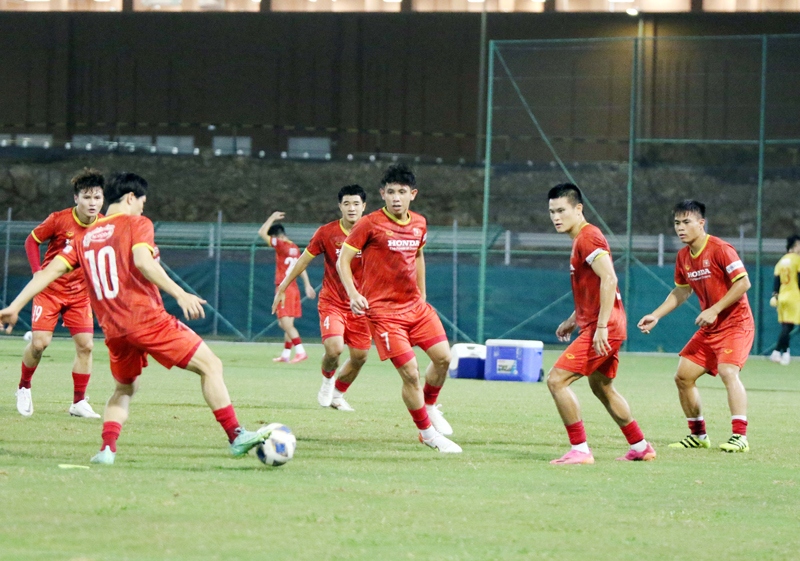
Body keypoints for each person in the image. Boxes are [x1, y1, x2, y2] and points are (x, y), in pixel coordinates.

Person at [0, 172, 270, 465]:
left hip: (114, 331)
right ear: (130, 198)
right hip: (147, 320)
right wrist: (181, 294)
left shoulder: (84, 237)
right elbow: (142, 262)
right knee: (211, 366)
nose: (143, 207)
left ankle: (107, 450)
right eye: (142, 201)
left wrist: (15, 306)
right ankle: (235, 435)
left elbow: (48, 272)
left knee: (125, 388)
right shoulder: (137, 223)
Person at [337, 163, 460, 453]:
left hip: (416, 307)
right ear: (382, 194)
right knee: (411, 373)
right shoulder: (369, 223)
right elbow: (343, 259)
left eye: (401, 192)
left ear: (412, 194)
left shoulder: (419, 223)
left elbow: (418, 256)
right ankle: (427, 434)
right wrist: (353, 294)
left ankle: (429, 406)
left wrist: (423, 293)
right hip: (383, 313)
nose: (395, 197)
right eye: (390, 192)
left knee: (444, 358)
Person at [546, 183, 655, 465]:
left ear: (578, 209)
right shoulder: (580, 240)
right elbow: (594, 288)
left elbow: (609, 279)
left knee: (556, 380)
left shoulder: (588, 238)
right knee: (602, 387)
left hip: (604, 326)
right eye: (551, 211)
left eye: (561, 210)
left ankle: (580, 450)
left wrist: (602, 327)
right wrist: (573, 320)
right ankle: (641, 446)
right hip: (602, 324)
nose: (556, 217)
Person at [638, 200, 753, 453]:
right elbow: (681, 291)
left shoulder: (721, 249)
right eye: (677, 223)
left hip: (736, 323)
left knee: (727, 372)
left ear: (701, 223)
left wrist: (714, 309)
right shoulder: (683, 257)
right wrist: (656, 315)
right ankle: (698, 435)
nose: (681, 228)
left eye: (687, 222)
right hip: (711, 328)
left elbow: (743, 283)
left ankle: (740, 436)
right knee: (683, 376)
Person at [15, 168, 105, 419]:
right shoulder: (58, 219)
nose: (92, 203)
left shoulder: (106, 226)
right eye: (87, 197)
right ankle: (23, 386)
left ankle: (78, 402)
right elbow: (31, 241)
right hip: (50, 291)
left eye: (97, 197)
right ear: (76, 198)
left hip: (80, 295)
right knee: (40, 344)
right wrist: (37, 273)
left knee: (86, 346)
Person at [272, 185, 371, 412]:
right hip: (333, 302)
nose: (351, 208)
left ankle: (337, 394)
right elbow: (303, 261)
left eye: (356, 203)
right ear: (340, 206)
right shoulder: (327, 232)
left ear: (364, 206)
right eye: (346, 203)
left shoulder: (374, 233)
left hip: (361, 305)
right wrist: (284, 287)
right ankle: (327, 381)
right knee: (334, 348)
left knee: (360, 357)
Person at [258, 212, 316, 363]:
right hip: (294, 288)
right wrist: (307, 285)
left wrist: (271, 218)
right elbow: (300, 267)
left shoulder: (281, 245)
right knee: (285, 323)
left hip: (284, 289)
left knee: (285, 324)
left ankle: (301, 351)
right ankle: (285, 354)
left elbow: (261, 233)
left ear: (277, 236)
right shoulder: (294, 247)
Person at [769, 234, 800, 366]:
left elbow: (776, 281)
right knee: (788, 327)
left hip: (781, 297)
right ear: (794, 246)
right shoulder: (797, 260)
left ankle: (782, 352)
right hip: (794, 295)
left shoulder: (781, 261)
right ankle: (779, 353)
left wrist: (775, 295)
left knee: (785, 327)